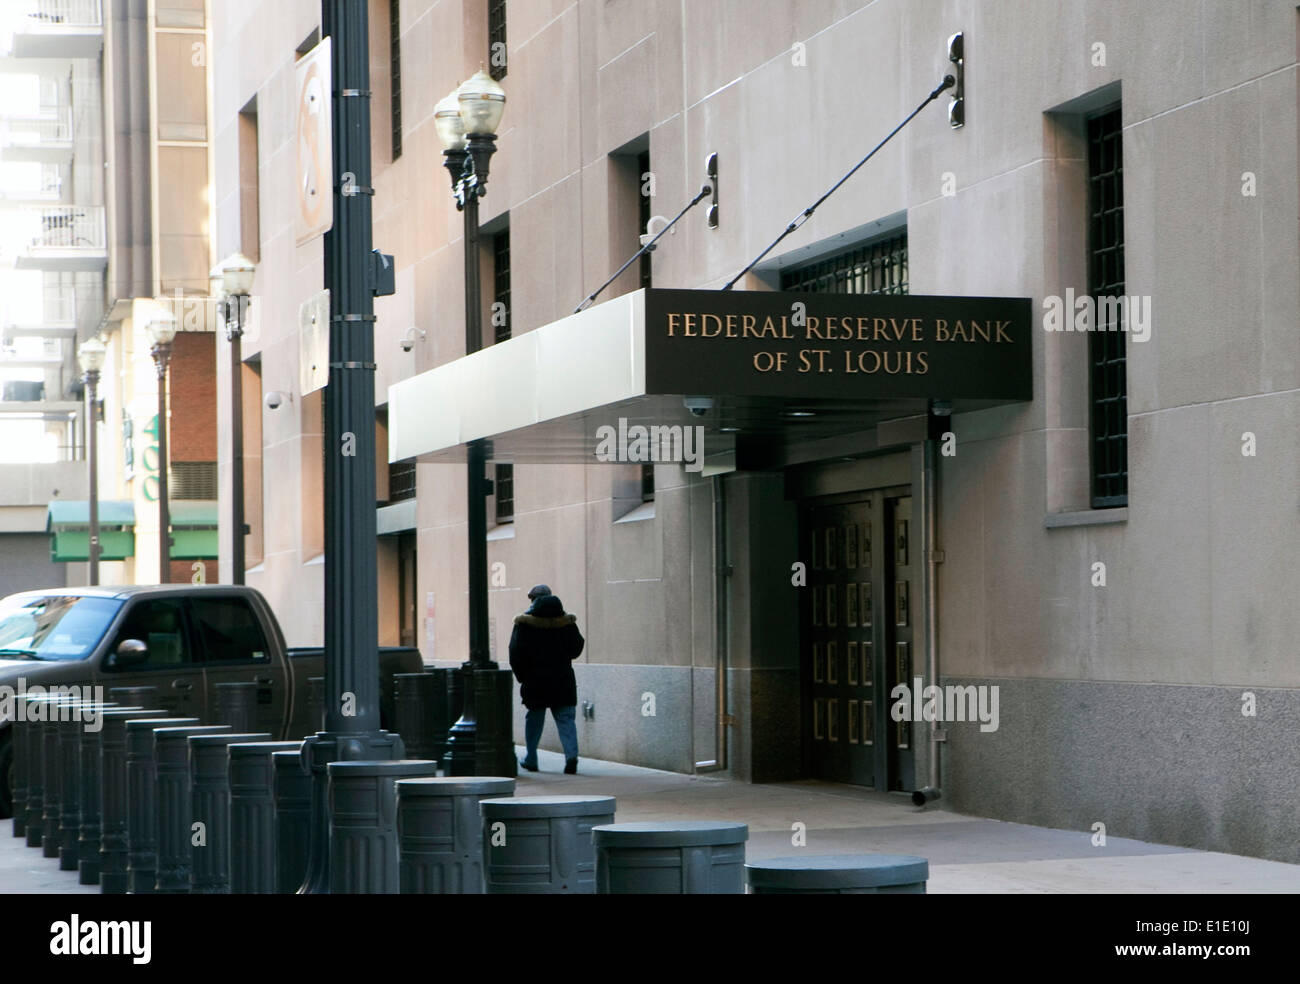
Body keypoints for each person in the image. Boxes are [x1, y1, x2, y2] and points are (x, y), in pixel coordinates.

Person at [509, 584, 584, 774]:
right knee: (566, 720)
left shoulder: (524, 623)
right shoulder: (566, 622)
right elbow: (576, 648)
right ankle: (571, 757)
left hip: (535, 681)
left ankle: (531, 758)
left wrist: (522, 676)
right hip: (563, 679)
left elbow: (515, 652)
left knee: (534, 720)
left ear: (532, 599)